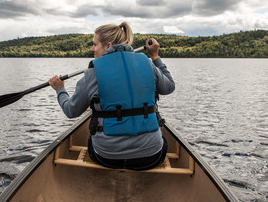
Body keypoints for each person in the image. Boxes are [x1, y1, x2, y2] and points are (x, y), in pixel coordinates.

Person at [49, 22, 175, 170]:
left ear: (108, 45)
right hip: (151, 157)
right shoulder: (148, 64)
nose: (92, 48)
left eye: (95, 44)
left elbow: (71, 111)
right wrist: (155, 56)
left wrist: (60, 89)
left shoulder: (92, 73)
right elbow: (169, 87)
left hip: (107, 157)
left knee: (91, 137)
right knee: (160, 140)